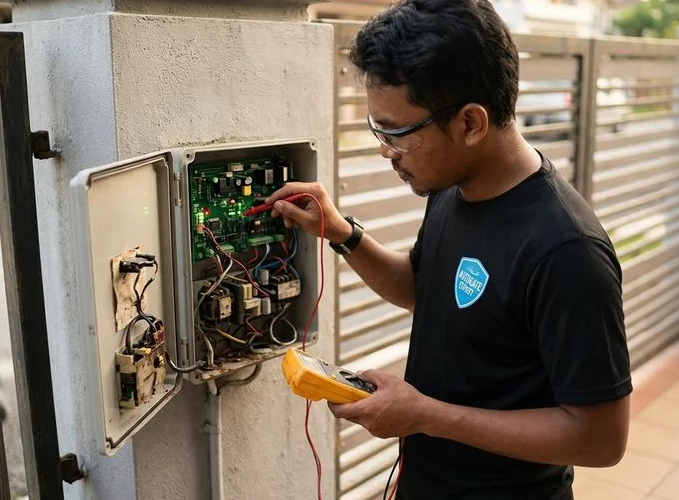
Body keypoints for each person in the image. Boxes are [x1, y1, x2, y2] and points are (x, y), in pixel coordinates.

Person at [266, 0, 631, 498]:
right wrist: (343, 234)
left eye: (397, 133)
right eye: (378, 129)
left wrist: (425, 416)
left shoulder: (567, 250)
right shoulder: (453, 186)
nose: (385, 149)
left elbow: (601, 439)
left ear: (470, 124)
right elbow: (423, 288)